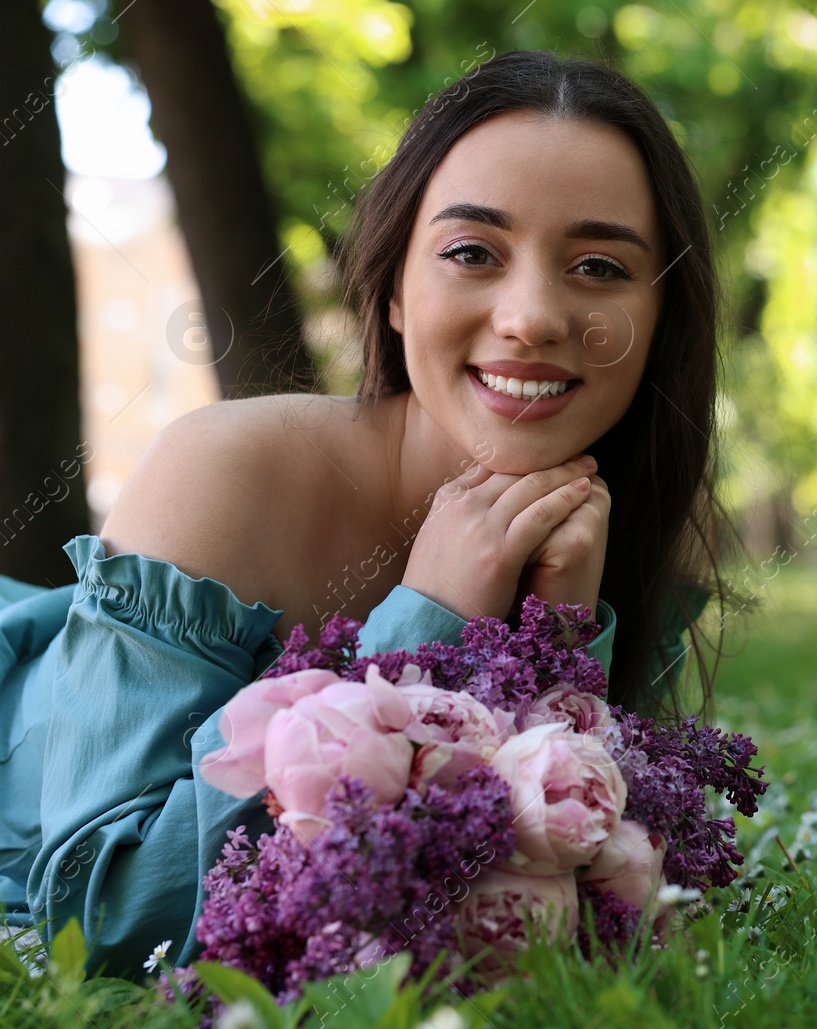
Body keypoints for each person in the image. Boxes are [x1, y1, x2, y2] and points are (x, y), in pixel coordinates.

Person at [0, 49, 746, 979]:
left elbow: (564, 885)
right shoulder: (225, 472)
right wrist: (430, 624)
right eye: (473, 252)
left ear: (662, 315)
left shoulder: (644, 535)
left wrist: (557, 643)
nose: (532, 316)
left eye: (598, 265)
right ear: (394, 289)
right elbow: (102, 921)